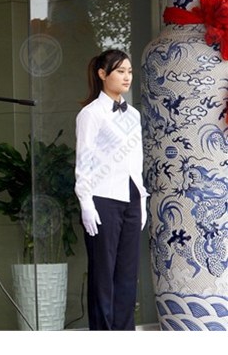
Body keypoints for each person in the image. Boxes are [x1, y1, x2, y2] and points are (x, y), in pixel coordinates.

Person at [74, 49, 148, 330]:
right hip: (103, 199)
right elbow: (84, 162)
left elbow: (135, 161)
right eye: (120, 71)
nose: (127, 77)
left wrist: (141, 200)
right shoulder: (90, 114)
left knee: (128, 276)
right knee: (102, 275)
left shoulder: (134, 115)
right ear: (102, 74)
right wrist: (86, 203)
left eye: (129, 71)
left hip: (131, 197)